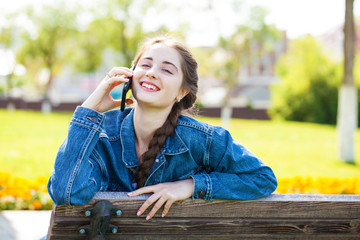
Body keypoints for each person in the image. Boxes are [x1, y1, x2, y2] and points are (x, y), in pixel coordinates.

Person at [47, 36, 277, 221]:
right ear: (129, 76)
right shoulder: (101, 133)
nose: (152, 72)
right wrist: (89, 111)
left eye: (167, 70)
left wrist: (190, 186)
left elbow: (263, 178)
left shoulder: (203, 140)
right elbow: (67, 192)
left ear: (182, 92)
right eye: (145, 65)